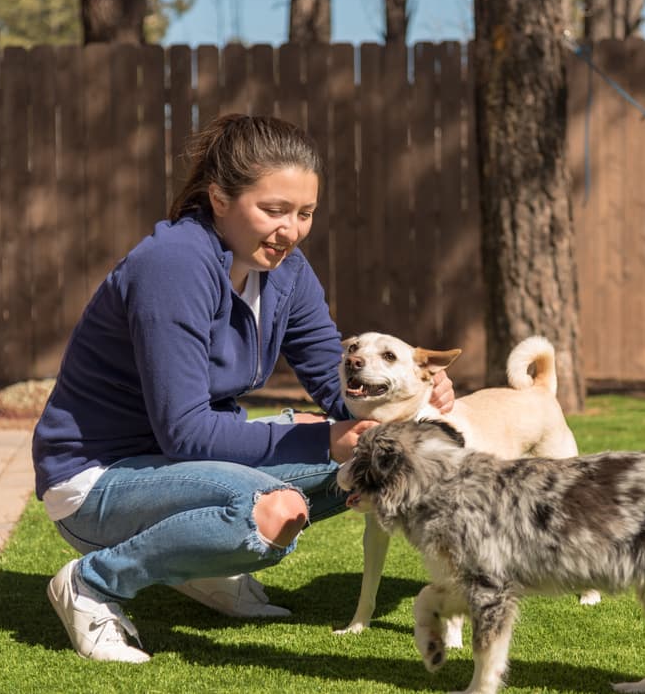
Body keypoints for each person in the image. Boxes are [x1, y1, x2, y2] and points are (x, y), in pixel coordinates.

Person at [32, 113, 454, 663]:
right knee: (267, 510)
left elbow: (334, 378)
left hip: (174, 465)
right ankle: (93, 582)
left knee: (378, 461)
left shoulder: (287, 270)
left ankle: (200, 569)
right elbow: (184, 432)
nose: (291, 230)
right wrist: (324, 440)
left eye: (304, 213)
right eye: (273, 210)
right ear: (219, 198)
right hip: (97, 480)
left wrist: (414, 396)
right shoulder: (173, 266)